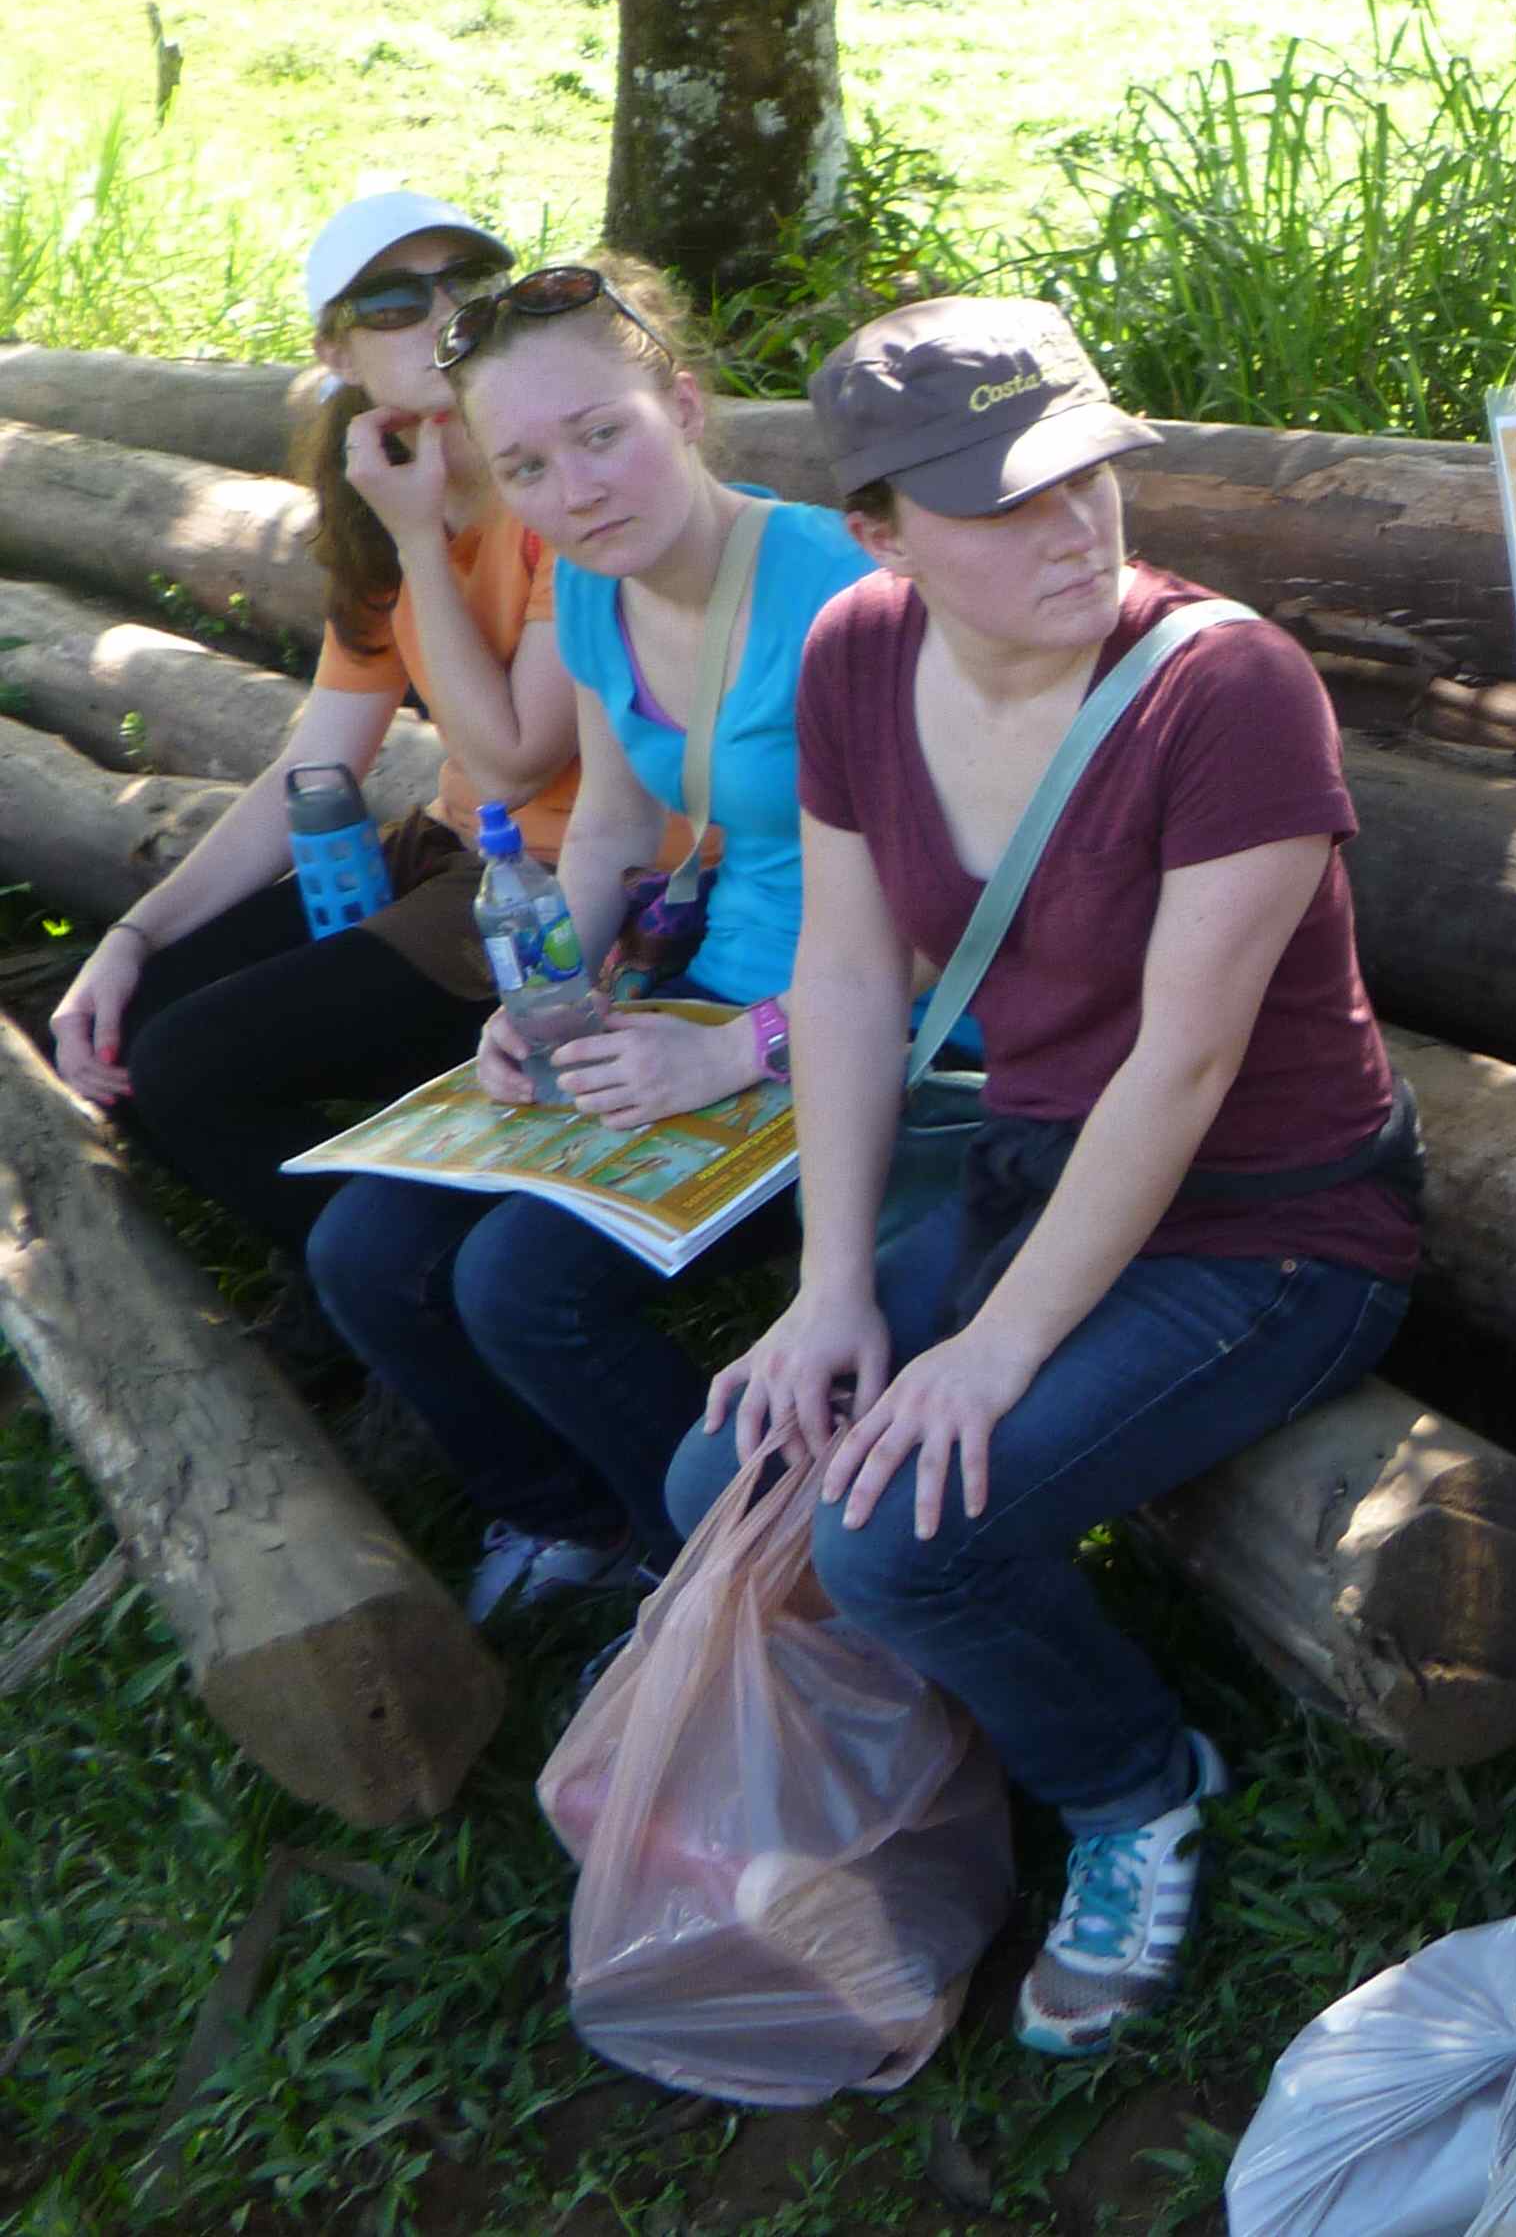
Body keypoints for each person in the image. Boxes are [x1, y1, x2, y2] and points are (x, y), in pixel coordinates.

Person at [675, 298, 1418, 2060]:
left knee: (892, 1539)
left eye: (1088, 475)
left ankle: (1132, 1790)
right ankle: (922, 1769)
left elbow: (1186, 1065)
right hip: (1035, 1176)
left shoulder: (1227, 688)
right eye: (1006, 503)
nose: (1074, 528)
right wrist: (834, 1285)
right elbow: (851, 981)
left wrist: (992, 1353)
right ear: (881, 535)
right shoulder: (857, 651)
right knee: (726, 1463)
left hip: (1275, 1227)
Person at [305, 254, 867, 1615]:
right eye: (530, 466)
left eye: (602, 435)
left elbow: (946, 914)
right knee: (360, 1254)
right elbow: (612, 830)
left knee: (522, 1286)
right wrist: (548, 997)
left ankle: (752, 1582)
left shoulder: (841, 592)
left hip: (872, 1028)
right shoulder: (603, 586)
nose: (576, 491)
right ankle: (580, 1523)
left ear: (680, 405)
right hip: (708, 1001)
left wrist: (741, 1051)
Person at [49, 190, 584, 1373]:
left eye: (470, 283)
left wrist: (410, 540)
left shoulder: (555, 486)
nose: (446, 313)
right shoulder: (386, 503)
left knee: (198, 1064)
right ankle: (359, 1272)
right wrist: (133, 935)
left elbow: (520, 757)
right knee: (138, 1024)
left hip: (576, 892)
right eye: (399, 300)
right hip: (455, 858)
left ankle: (393, 1309)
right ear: (337, 353)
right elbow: (314, 761)